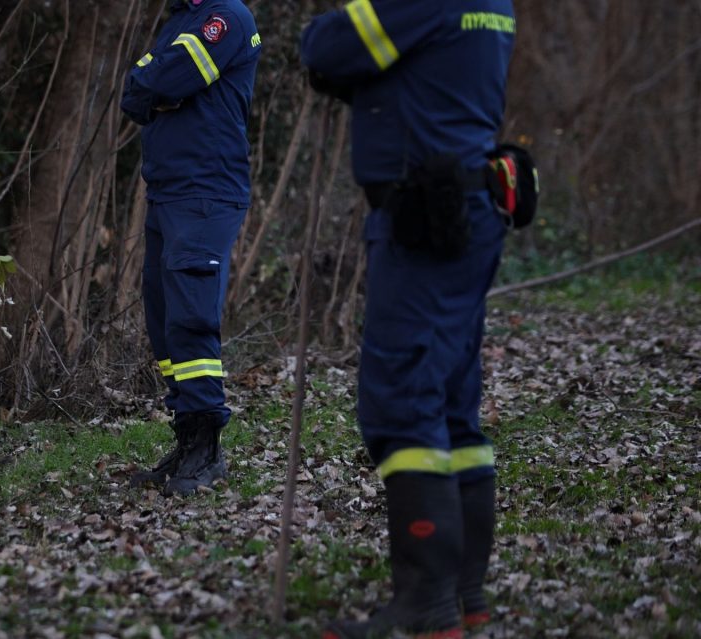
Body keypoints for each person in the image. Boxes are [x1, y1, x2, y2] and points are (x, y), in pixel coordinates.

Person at [301, 2, 517, 637]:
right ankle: (463, 593)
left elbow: (326, 46)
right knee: (451, 403)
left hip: (424, 223)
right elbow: (419, 73)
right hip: (466, 210)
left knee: (403, 401)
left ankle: (427, 603)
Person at [120, 0, 262, 496]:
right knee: (164, 318)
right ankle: (187, 437)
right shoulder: (181, 21)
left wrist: (157, 83)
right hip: (166, 190)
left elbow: (163, 80)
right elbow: (134, 93)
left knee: (191, 316)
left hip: (206, 191)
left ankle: (207, 446)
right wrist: (155, 84)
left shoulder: (227, 17)